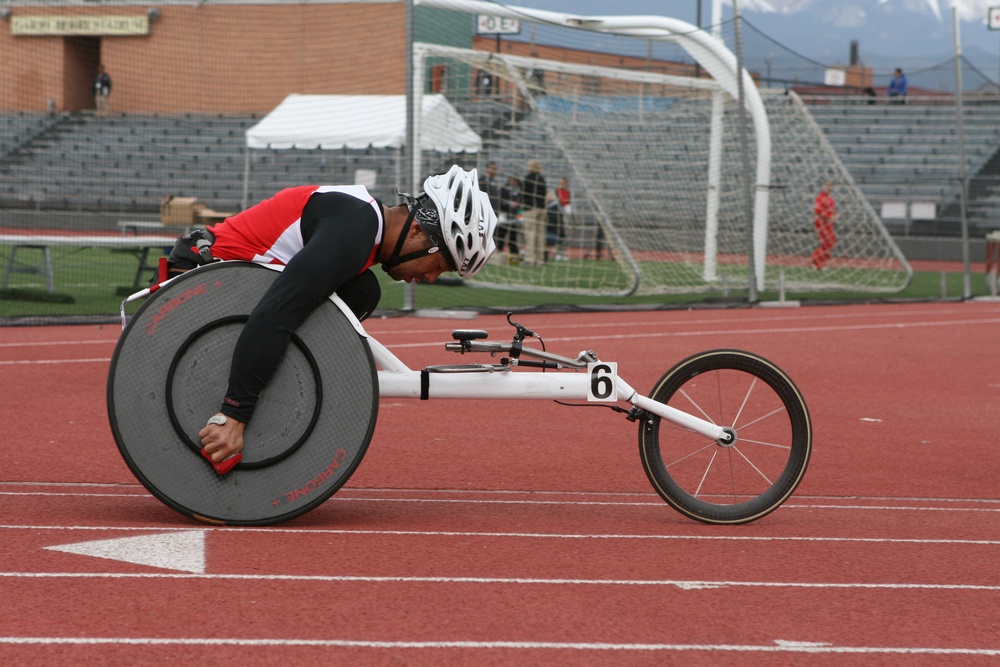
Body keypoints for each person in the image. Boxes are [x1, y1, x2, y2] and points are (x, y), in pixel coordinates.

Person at [172, 166, 497, 474]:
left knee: (363, 291)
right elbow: (277, 312)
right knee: (347, 295)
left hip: (233, 288)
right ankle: (240, 400)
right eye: (439, 264)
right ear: (416, 231)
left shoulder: (360, 227)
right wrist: (234, 414)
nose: (430, 278)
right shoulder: (353, 230)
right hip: (195, 280)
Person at [521, 160, 547, 266]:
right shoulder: (542, 179)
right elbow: (544, 194)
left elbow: (523, 193)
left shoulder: (528, 178)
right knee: (540, 235)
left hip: (530, 208)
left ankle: (530, 259)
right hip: (541, 209)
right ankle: (540, 259)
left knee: (530, 235)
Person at [810, 181, 836, 270]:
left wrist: (835, 215)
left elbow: (831, 211)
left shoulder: (831, 199)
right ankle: (817, 262)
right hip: (821, 222)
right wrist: (829, 216)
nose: (828, 188)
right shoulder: (820, 198)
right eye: (827, 186)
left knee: (831, 242)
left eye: (830, 186)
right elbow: (817, 210)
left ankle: (818, 260)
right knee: (826, 242)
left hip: (829, 223)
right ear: (823, 187)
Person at [497, 175, 521, 261]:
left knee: (512, 237)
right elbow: (499, 200)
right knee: (501, 234)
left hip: (514, 216)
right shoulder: (504, 189)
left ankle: (514, 256)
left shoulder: (518, 190)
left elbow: (520, 202)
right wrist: (508, 204)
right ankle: (499, 252)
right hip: (504, 215)